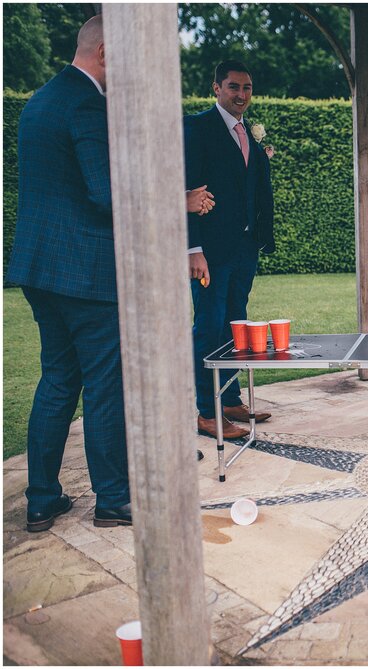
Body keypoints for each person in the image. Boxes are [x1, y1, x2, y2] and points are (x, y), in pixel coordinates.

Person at [6, 16, 214, 532]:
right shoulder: (87, 104)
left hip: (40, 269)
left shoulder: (38, 101)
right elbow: (106, 195)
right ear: (104, 52)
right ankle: (113, 498)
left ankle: (41, 498)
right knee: (104, 385)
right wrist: (179, 201)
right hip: (87, 274)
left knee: (57, 380)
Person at [185, 60, 275, 440]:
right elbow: (187, 189)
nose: (241, 95)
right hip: (210, 251)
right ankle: (207, 412)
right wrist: (193, 248)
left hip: (243, 250)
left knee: (236, 324)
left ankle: (230, 398)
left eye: (247, 88)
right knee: (209, 326)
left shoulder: (248, 136)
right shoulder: (197, 128)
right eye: (234, 87)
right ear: (216, 88)